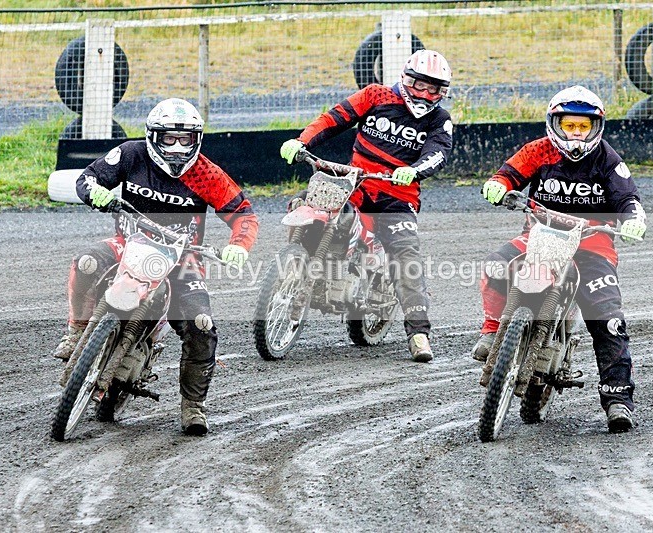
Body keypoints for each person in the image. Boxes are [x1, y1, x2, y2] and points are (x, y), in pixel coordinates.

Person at [52, 98, 259, 435]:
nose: (177, 147)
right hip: (127, 244)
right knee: (85, 262)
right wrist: (96, 194)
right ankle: (76, 330)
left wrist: (239, 245)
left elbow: (244, 215)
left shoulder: (207, 174)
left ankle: (193, 406)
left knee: (202, 327)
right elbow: (88, 178)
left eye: (185, 140)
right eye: (169, 139)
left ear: (197, 140)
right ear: (153, 136)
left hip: (183, 262)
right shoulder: (132, 155)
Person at [473, 85, 647, 432]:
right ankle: (493, 330)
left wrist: (634, 219)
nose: (576, 134)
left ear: (596, 128)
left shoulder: (608, 160)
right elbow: (508, 173)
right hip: (538, 235)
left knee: (608, 317)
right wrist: (498, 184)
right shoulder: (538, 150)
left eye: (583, 127)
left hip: (592, 246)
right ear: (555, 124)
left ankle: (617, 399)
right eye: (570, 126)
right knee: (494, 266)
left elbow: (628, 198)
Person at [279, 49, 454, 363]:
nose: (425, 94)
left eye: (434, 89)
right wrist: (302, 141)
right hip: (354, 183)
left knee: (405, 254)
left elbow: (438, 153)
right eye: (420, 85)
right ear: (406, 79)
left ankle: (418, 333)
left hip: (397, 198)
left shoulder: (439, 119)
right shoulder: (375, 96)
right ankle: (304, 273)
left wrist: (414, 170)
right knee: (309, 206)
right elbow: (335, 117)